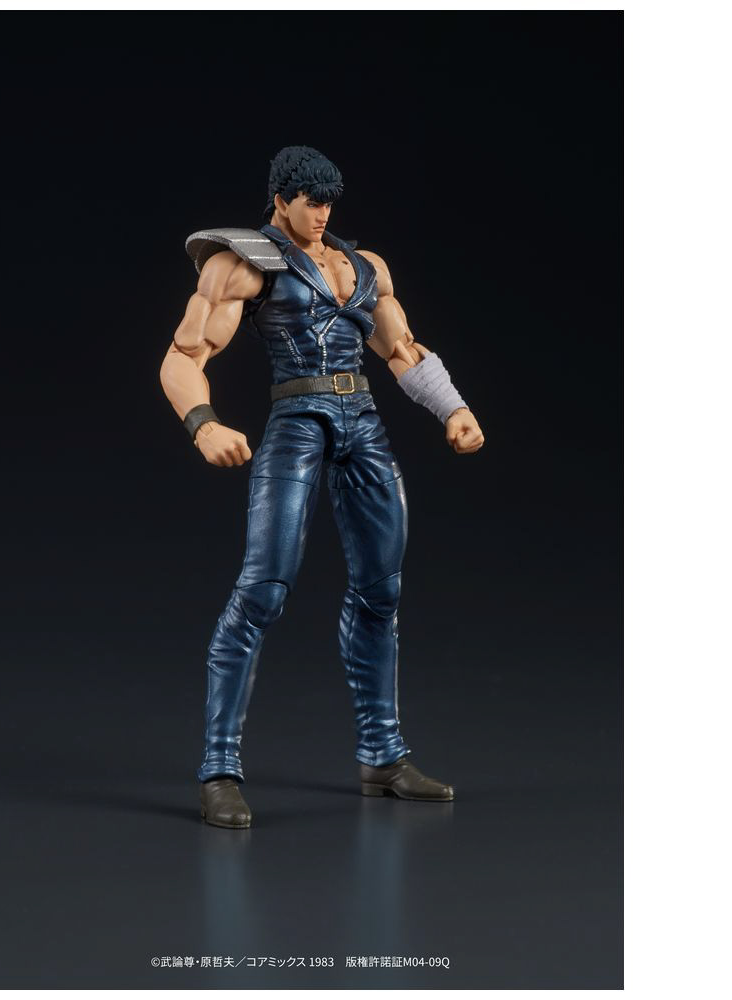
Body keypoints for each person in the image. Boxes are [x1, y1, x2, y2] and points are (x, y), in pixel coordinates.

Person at [160, 146, 484, 829]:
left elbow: (402, 349)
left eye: (329, 202)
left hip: (362, 420)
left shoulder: (364, 267)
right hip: (298, 419)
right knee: (263, 589)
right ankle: (219, 768)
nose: (321, 214)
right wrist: (203, 423)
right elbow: (185, 355)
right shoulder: (244, 262)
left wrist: (452, 407)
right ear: (280, 199)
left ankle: (383, 756)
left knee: (381, 591)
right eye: (309, 202)